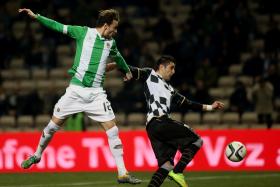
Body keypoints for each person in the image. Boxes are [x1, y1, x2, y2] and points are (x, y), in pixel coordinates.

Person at [18, 8, 141, 184]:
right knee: (52, 127)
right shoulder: (83, 32)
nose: (116, 31)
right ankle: (37, 155)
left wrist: (127, 70)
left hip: (97, 94)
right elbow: (57, 26)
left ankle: (123, 173)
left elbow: (119, 57)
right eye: (114, 27)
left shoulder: (111, 43)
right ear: (106, 26)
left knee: (113, 130)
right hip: (75, 92)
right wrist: (36, 17)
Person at [107, 55, 224, 187]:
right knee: (197, 140)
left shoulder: (170, 89)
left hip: (152, 128)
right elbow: (132, 70)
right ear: (161, 67)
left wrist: (210, 107)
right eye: (171, 68)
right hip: (160, 121)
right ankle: (178, 171)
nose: (173, 71)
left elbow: (188, 103)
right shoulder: (150, 74)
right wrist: (118, 65)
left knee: (166, 166)